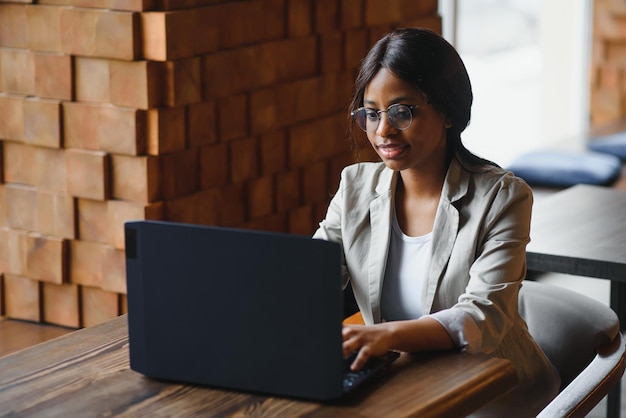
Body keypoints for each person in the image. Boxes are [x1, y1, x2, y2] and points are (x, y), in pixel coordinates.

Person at [312, 27, 560, 417]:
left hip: (494, 397)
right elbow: (312, 272)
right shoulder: (355, 186)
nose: (383, 131)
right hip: (403, 383)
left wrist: (384, 335)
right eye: (372, 113)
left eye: (401, 111)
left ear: (446, 111)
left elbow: (484, 315)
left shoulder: (503, 197)